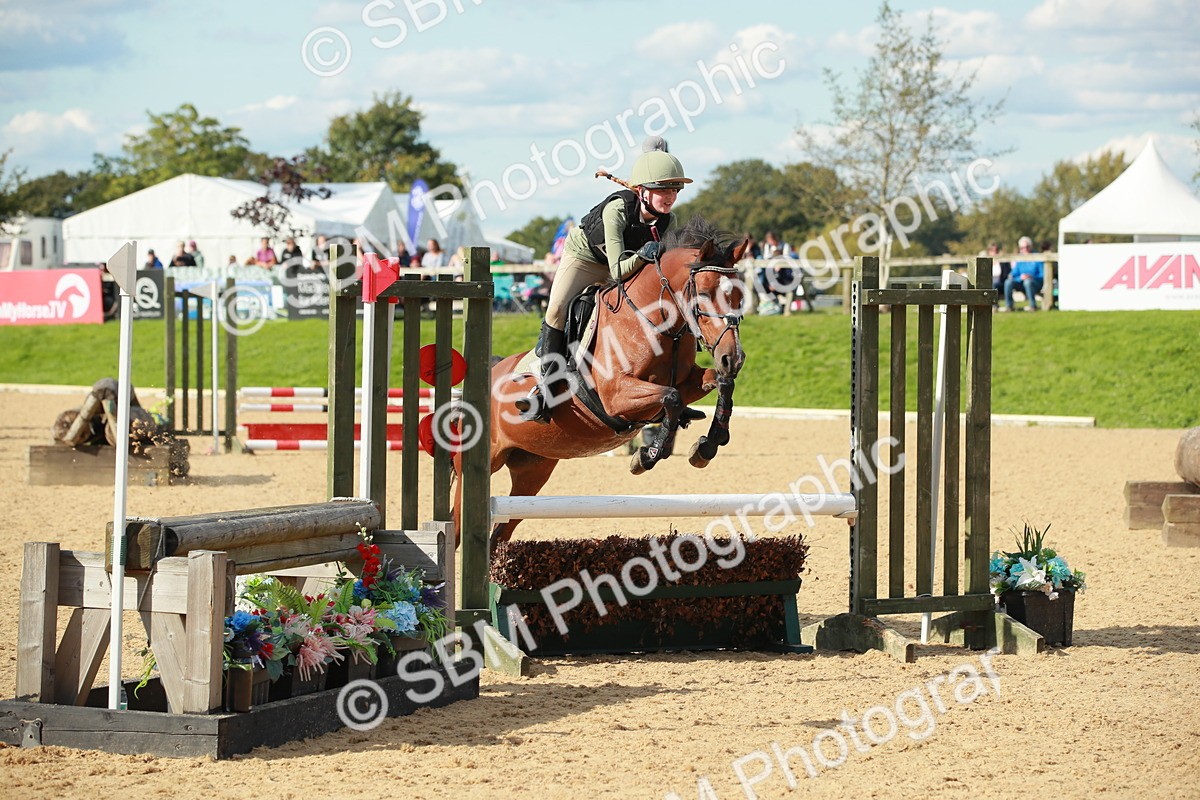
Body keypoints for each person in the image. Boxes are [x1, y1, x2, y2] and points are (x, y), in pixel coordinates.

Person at [516, 140, 692, 423]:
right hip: (585, 259)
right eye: (662, 189)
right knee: (557, 310)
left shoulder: (666, 221)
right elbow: (618, 270)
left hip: (624, 263)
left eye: (674, 189)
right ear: (642, 191)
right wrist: (644, 255)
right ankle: (544, 389)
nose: (669, 196)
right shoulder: (617, 210)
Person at [1004, 236, 1043, 312]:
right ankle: (1009, 306)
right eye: (1022, 248)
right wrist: (1019, 277)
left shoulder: (1037, 257)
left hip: (1035, 283)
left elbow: (1042, 275)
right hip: (1021, 282)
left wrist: (1031, 276)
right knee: (1008, 282)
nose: (1024, 249)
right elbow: (1014, 273)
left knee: (1027, 282)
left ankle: (1033, 306)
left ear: (1030, 246)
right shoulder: (1020, 259)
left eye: (1026, 247)